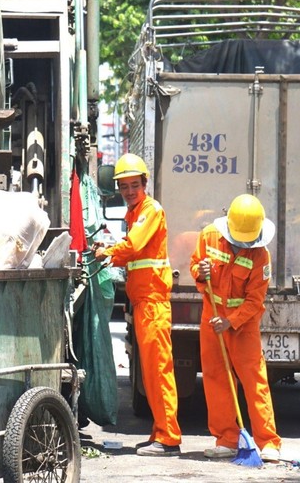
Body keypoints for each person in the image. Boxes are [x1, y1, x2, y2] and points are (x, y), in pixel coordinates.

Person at [93, 153, 182, 457]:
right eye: (124, 186)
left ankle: (169, 438)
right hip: (144, 301)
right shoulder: (135, 212)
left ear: (145, 184)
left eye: (134, 185)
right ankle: (160, 431)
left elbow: (133, 247)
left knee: (159, 370)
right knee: (152, 372)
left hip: (153, 301)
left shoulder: (149, 211)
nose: (129, 191)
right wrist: (110, 253)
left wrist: (108, 252)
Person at [189, 194, 282, 462]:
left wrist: (232, 320)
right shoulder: (209, 236)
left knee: (254, 380)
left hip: (242, 325)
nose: (242, 245)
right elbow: (195, 265)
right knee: (216, 378)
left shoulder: (261, 256)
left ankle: (268, 442)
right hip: (212, 319)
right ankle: (226, 439)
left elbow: (255, 300)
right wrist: (200, 271)